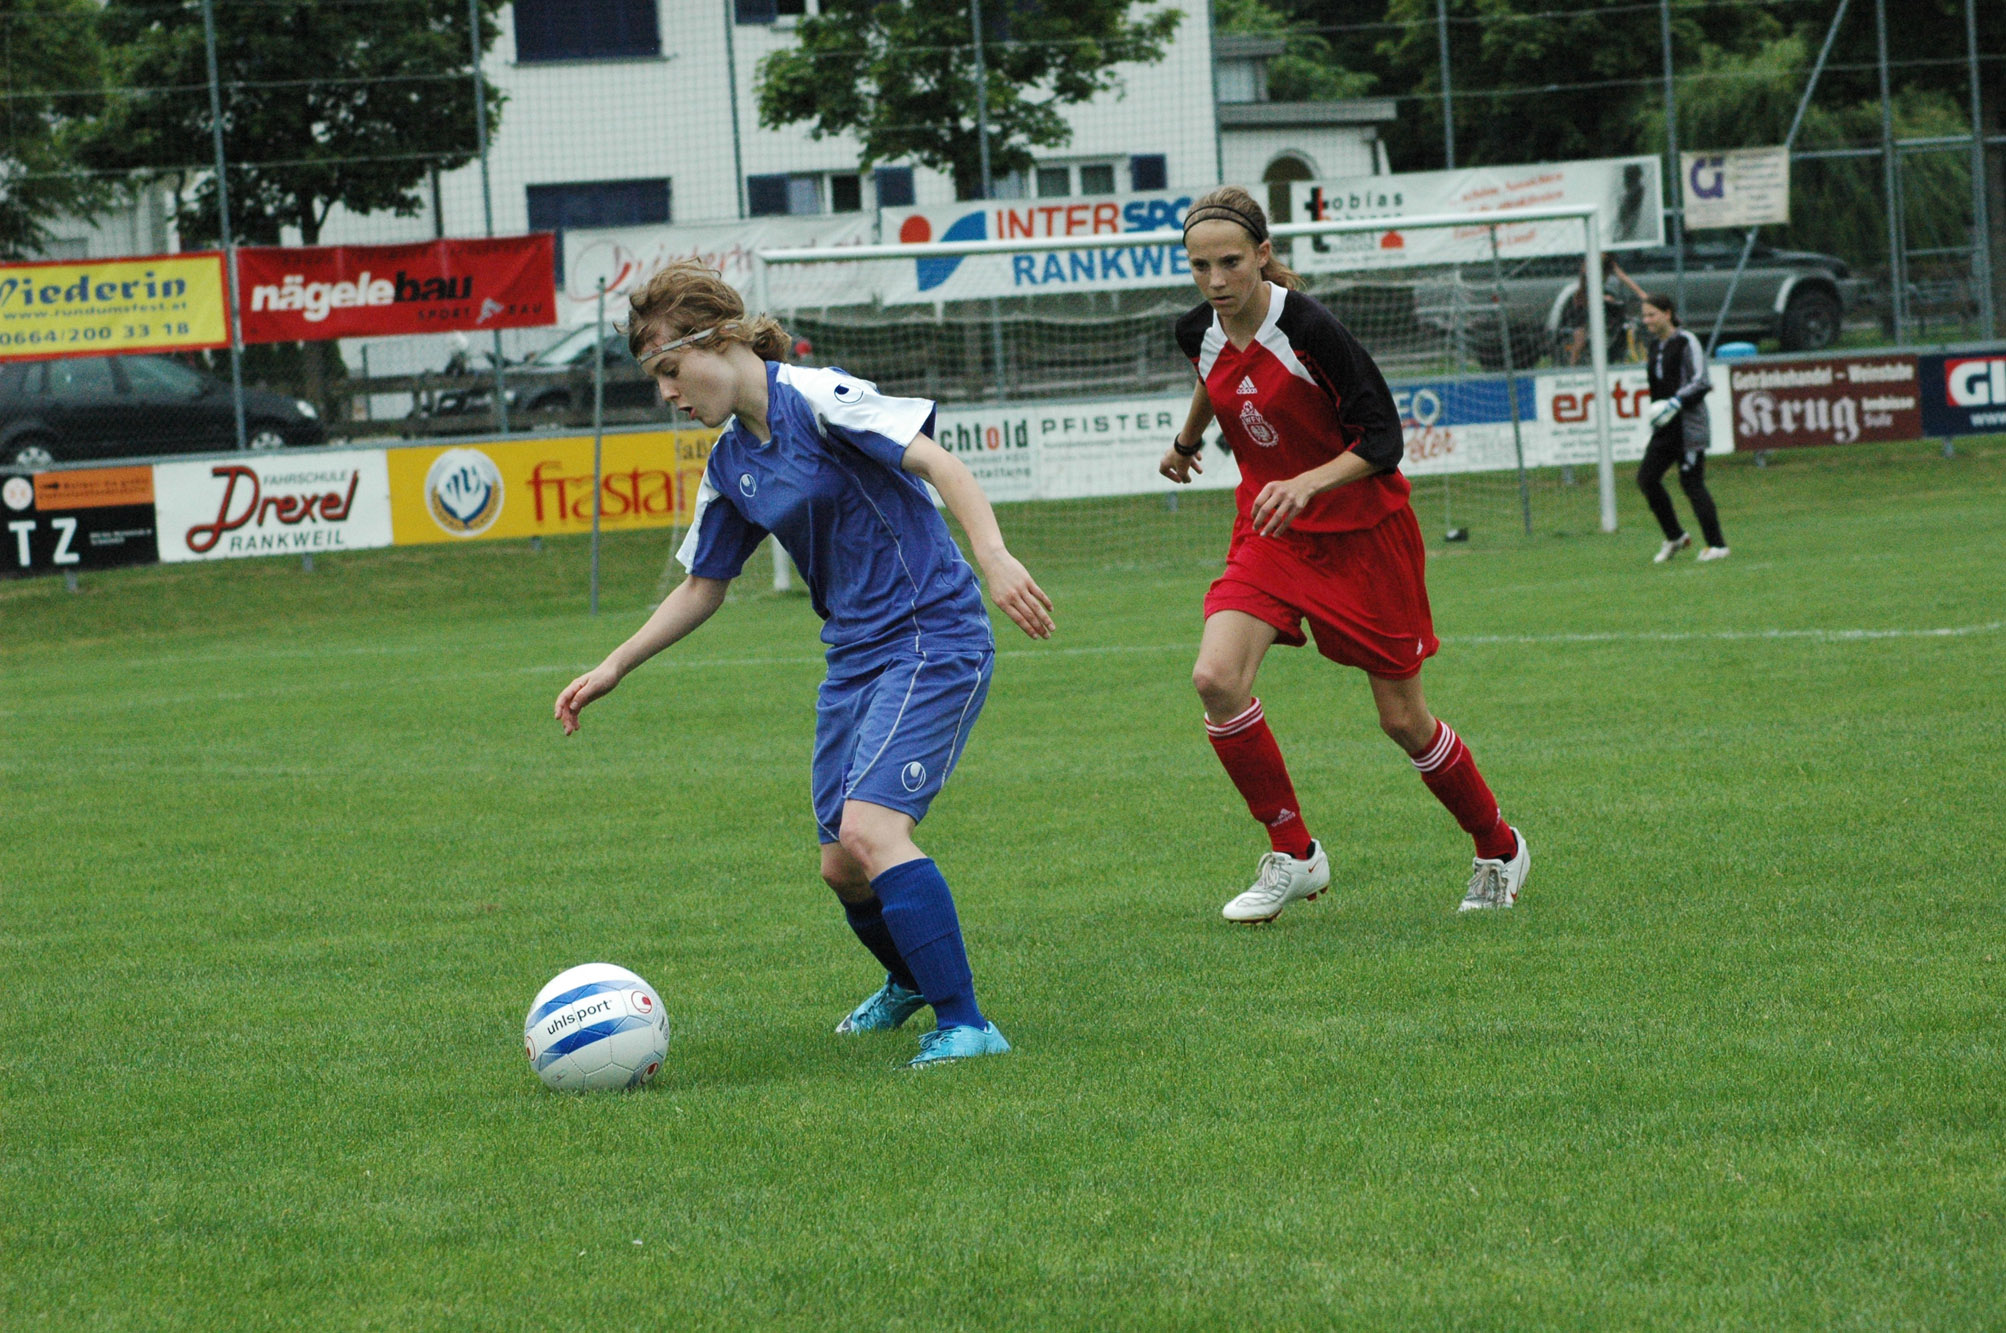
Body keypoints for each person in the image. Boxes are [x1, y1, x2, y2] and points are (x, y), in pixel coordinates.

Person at [554, 260, 1055, 1067]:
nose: (668, 394)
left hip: (931, 634)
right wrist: (616, 664)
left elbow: (940, 464)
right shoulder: (730, 464)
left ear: (719, 339)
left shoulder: (820, 398)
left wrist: (994, 557)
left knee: (871, 830)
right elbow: (704, 584)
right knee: (841, 866)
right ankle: (910, 978)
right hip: (853, 656)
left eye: (671, 370)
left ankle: (967, 1025)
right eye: (657, 379)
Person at [1159, 186, 1529, 921]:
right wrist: (1186, 440)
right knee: (1215, 678)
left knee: (1403, 721)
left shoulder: (1310, 329)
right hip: (1272, 531)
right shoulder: (1195, 328)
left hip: (1366, 538)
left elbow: (1383, 439)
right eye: (1200, 267)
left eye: (1231, 263)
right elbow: (1213, 373)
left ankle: (1499, 845)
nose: (1216, 281)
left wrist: (1308, 482)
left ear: (1263, 255)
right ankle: (1293, 853)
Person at [1635, 292, 1728, 563]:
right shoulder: (1655, 346)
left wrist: (1676, 401)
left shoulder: (1687, 341)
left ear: (1667, 314)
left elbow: (1701, 381)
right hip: (1665, 428)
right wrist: (1659, 413)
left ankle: (1717, 545)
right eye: (1644, 315)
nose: (1646, 320)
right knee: (1647, 479)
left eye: (1651, 315)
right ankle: (1675, 536)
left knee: (1691, 483)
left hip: (1688, 426)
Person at [1563, 254, 1648, 366]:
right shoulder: (1590, 262)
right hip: (1583, 301)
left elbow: (1624, 278)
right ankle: (1572, 366)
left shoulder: (1609, 264)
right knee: (1580, 337)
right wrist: (1600, 297)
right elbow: (1585, 284)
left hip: (1599, 300)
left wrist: (1643, 295)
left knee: (1616, 318)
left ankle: (1612, 356)